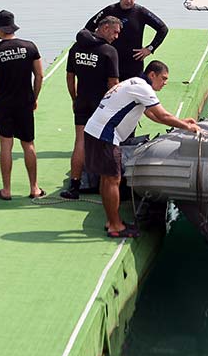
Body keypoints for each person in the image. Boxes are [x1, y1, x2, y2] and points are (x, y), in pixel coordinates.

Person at [83, 60, 200, 238]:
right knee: (113, 179)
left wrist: (182, 122)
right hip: (105, 134)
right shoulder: (143, 87)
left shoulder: (133, 83)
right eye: (163, 78)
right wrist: (187, 128)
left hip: (94, 130)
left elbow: (152, 115)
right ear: (152, 74)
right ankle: (115, 226)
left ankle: (111, 221)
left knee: (107, 178)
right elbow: (162, 114)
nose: (165, 82)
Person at [0, 10, 45, 200]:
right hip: (24, 102)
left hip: (3, 103)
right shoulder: (30, 47)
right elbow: (40, 75)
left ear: (0, 30)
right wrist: (34, 97)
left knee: (6, 145)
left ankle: (6, 190)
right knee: (28, 145)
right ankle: (34, 188)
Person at [61, 17, 122, 200]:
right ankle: (103, 184)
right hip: (101, 104)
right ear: (104, 27)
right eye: (115, 31)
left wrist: (74, 98)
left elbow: (70, 77)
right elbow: (114, 82)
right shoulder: (108, 51)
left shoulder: (76, 48)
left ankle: (74, 186)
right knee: (105, 144)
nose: (116, 36)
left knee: (80, 142)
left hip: (81, 101)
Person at [84, 0, 170, 81]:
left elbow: (163, 29)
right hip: (111, 61)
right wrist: (98, 47)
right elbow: (89, 28)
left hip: (133, 64)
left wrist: (149, 49)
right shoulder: (110, 10)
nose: (128, 1)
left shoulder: (140, 12)